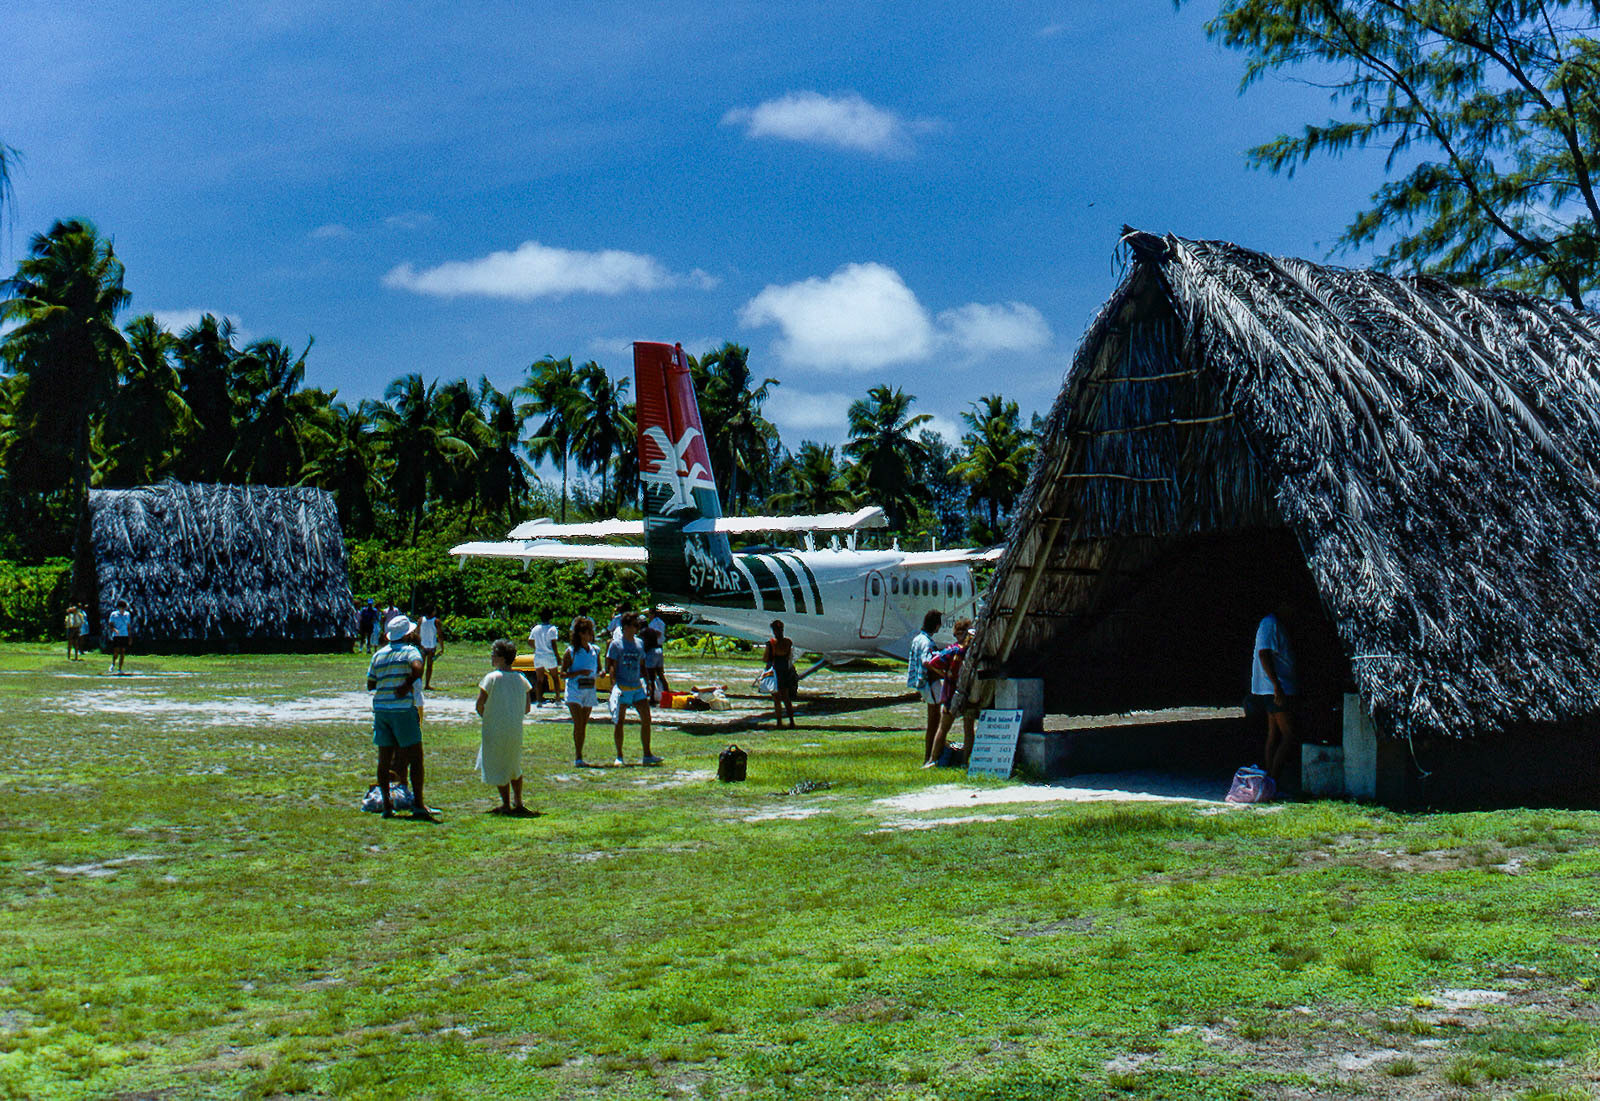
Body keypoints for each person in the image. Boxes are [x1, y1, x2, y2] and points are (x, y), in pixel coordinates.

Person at [367, 615, 437, 821]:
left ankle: (387, 805)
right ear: (408, 633)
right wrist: (405, 685)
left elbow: (370, 683)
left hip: (381, 710)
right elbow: (417, 668)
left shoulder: (378, 655)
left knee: (384, 758)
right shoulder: (410, 651)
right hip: (402, 709)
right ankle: (418, 804)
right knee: (415, 757)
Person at [475, 638, 533, 816]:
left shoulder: (491, 678)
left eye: (494, 655)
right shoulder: (521, 679)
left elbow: (480, 704)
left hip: (495, 728)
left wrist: (489, 716)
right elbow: (527, 707)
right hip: (514, 729)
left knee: (498, 764)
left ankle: (506, 803)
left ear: (501, 657)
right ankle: (518, 800)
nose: (492, 658)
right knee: (513, 764)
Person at [1252, 603, 1298, 785]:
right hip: (1275, 690)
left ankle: (1268, 780)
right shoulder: (1270, 624)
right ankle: (1273, 779)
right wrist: (1276, 685)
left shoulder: (1274, 624)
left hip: (1274, 688)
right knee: (1289, 735)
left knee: (1273, 735)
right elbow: (1264, 654)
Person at [607, 613, 661, 766]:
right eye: (634, 625)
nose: (636, 628)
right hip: (623, 687)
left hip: (637, 687)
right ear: (626, 627)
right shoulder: (616, 644)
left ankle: (647, 754)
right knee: (619, 722)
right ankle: (619, 756)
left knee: (646, 718)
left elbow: (642, 664)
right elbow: (611, 665)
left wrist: (648, 682)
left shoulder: (639, 643)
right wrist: (613, 685)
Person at [925, 618, 975, 767]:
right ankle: (965, 761)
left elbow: (932, 663)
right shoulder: (974, 652)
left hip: (951, 692)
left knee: (943, 727)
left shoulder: (953, 650)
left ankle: (933, 759)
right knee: (968, 728)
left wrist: (944, 673)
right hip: (969, 693)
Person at [561, 616, 600, 766]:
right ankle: (578, 757)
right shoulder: (570, 652)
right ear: (580, 634)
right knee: (578, 723)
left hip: (589, 689)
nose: (590, 635)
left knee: (583, 724)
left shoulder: (595, 650)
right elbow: (563, 674)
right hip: (574, 690)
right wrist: (578, 673)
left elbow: (599, 669)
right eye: (587, 632)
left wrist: (601, 674)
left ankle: (580, 755)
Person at [907, 610, 943, 763]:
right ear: (936, 625)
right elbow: (926, 661)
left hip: (921, 683)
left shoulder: (917, 638)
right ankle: (930, 756)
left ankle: (930, 755)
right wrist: (942, 673)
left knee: (932, 720)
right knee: (935, 721)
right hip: (930, 683)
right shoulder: (928, 642)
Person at [764, 619, 798, 729]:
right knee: (787, 699)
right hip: (785, 671)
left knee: (777, 699)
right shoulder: (788, 642)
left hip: (776, 671)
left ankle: (779, 723)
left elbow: (765, 659)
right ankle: (792, 721)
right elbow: (790, 657)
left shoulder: (771, 643)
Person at [528, 608, 561, 706]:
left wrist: (537, 648)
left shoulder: (535, 628)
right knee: (555, 678)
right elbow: (553, 644)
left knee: (539, 680)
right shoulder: (552, 629)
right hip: (549, 655)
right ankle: (558, 700)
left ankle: (539, 701)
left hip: (539, 656)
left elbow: (530, 641)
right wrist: (558, 656)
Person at [640, 618, 670, 700]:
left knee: (650, 676)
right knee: (660, 674)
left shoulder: (643, 632)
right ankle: (668, 694)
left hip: (651, 653)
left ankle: (652, 697)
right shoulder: (652, 630)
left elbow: (645, 645)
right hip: (658, 650)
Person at [107, 600, 132, 675]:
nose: (123, 609)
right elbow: (110, 625)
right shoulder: (114, 614)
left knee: (123, 651)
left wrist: (130, 637)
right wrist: (115, 630)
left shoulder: (127, 614)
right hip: (116, 635)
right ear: (119, 607)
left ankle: (120, 668)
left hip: (124, 635)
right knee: (116, 651)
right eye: (121, 608)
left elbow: (128, 626)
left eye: (124, 608)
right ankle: (113, 663)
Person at [418, 607, 440, 690]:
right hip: (431, 646)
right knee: (429, 666)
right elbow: (440, 634)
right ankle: (427, 684)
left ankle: (419, 683)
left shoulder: (421, 620)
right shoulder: (436, 621)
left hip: (422, 645)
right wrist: (442, 646)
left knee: (421, 665)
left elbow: (417, 631)